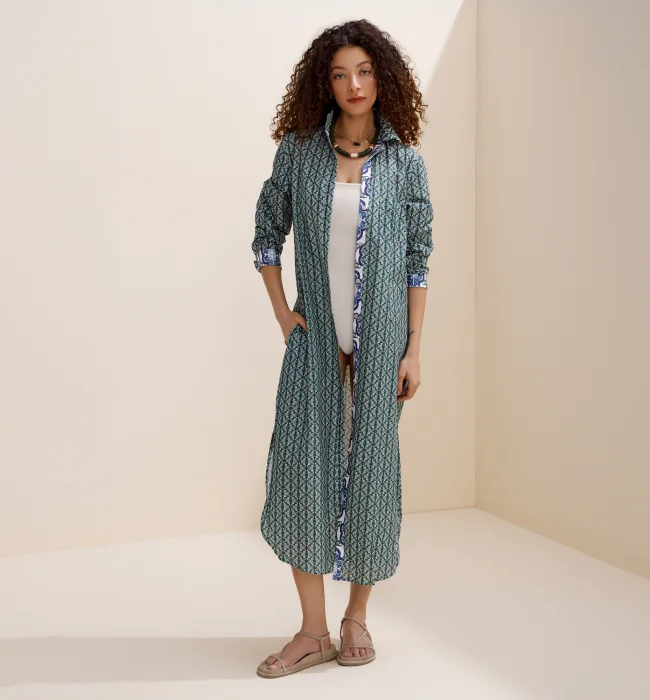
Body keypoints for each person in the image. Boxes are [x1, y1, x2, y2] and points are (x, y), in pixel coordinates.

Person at [252, 18, 435, 679]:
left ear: (382, 78)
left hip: (382, 350)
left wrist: (413, 349)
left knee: (372, 479)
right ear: (323, 84)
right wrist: (284, 315)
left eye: (364, 71)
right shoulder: (299, 153)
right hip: (315, 347)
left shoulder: (404, 163)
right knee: (303, 474)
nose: (354, 84)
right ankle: (312, 630)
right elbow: (266, 235)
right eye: (339, 74)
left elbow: (418, 258)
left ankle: (357, 616)